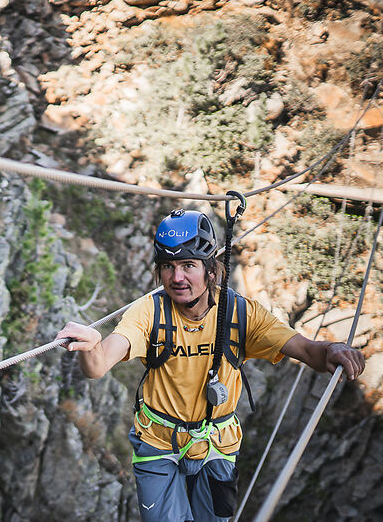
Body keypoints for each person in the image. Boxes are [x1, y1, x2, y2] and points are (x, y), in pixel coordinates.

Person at [55, 209, 365, 522]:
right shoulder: (149, 312)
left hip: (217, 446)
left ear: (210, 270)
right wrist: (93, 344)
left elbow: (308, 351)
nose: (177, 278)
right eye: (168, 267)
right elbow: (98, 365)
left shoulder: (240, 313)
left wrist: (332, 349)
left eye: (188, 265)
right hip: (158, 445)